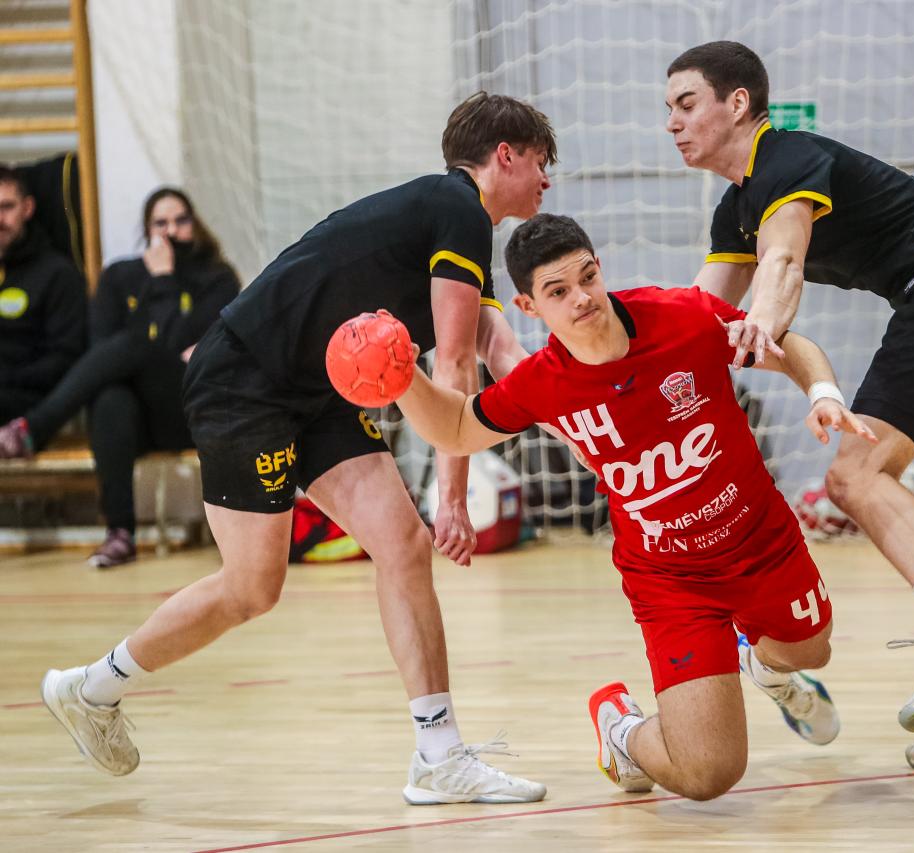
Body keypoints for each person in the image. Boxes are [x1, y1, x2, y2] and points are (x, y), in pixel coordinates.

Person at [40, 93, 554, 805]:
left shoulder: (460, 227)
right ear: (505, 154)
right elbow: (457, 364)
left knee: (403, 544)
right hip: (244, 380)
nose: (547, 179)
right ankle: (92, 688)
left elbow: (498, 348)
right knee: (253, 588)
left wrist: (582, 418)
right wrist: (455, 499)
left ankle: (438, 756)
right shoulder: (457, 207)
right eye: (542, 161)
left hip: (316, 393)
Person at [394, 213, 879, 801]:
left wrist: (824, 394)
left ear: (600, 269)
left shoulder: (683, 317)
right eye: (557, 292)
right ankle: (621, 730)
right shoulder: (542, 382)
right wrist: (401, 379)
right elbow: (455, 427)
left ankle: (764, 666)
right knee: (708, 775)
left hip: (761, 541)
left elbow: (786, 346)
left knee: (812, 651)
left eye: (587, 277)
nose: (581, 298)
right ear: (528, 307)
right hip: (671, 579)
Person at [666, 41, 914, 773]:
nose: (672, 123)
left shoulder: (784, 158)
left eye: (687, 104)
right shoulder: (735, 211)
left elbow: (784, 260)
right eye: (669, 110)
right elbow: (696, 318)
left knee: (855, 476)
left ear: (738, 104)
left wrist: (764, 326)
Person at [0, 187, 240, 569]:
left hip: (186, 411)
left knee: (131, 345)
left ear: (195, 224)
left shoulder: (217, 279)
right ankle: (120, 534)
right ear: (146, 230)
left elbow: (179, 349)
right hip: (133, 419)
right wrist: (155, 343)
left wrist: (163, 280)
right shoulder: (119, 276)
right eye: (160, 223)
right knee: (111, 396)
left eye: (180, 220)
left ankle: (33, 429)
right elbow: (101, 352)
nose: (170, 231)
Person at [0, 165, 86, 424]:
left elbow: (66, 358)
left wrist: (10, 377)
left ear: (27, 208)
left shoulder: (57, 274)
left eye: (6, 207)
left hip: (29, 402)